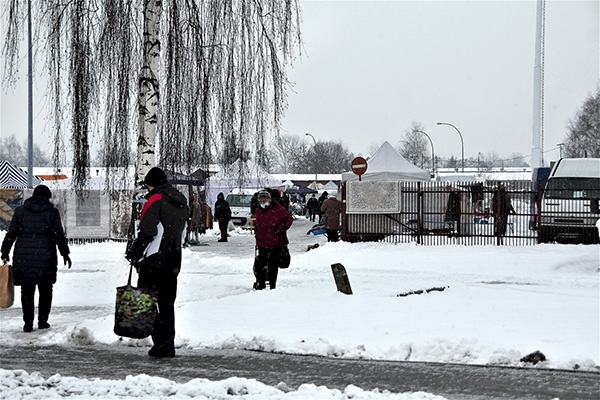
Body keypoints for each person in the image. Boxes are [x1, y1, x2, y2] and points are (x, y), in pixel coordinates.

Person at [126, 167, 189, 358]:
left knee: (148, 301)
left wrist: (135, 252)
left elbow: (148, 232)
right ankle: (167, 344)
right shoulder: (180, 202)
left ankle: (159, 343)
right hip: (173, 260)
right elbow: (183, 232)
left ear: (151, 184)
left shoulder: (155, 200)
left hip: (153, 261)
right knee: (167, 303)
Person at [1, 184, 72, 333]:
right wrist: (65, 253)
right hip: (46, 257)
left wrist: (5, 251)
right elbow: (59, 235)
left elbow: (11, 233)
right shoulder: (52, 212)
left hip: (23, 257)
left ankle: (28, 323)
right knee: (45, 290)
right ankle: (42, 321)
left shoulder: (20, 212)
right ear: (47, 197)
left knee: (27, 291)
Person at [253, 189, 294, 290]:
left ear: (269, 200)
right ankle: (260, 284)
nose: (262, 203)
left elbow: (289, 219)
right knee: (260, 265)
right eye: (260, 201)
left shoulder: (277, 209)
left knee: (272, 265)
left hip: (276, 242)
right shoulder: (259, 210)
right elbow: (258, 224)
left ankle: (272, 285)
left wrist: (281, 228)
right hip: (262, 242)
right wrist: (257, 232)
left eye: (264, 201)